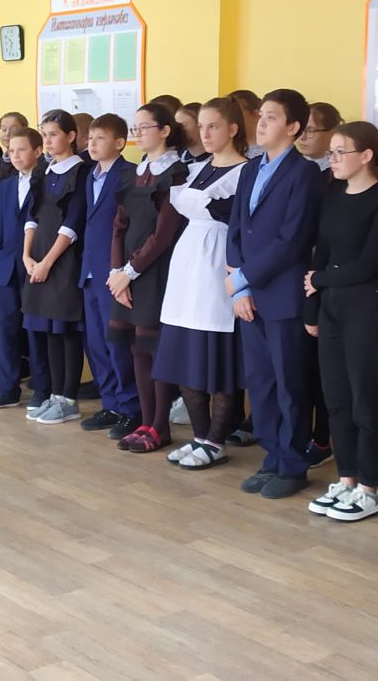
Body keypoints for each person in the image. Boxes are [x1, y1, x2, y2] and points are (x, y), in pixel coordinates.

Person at [302, 121, 378, 521]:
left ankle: (368, 486)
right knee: (337, 396)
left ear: (366, 156)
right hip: (331, 307)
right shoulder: (333, 193)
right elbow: (321, 254)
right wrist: (313, 306)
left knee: (366, 398)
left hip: (368, 307)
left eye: (340, 152)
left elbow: (368, 264)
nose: (333, 159)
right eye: (331, 152)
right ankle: (346, 479)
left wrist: (321, 279)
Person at [228, 88, 324, 499]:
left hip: (284, 295)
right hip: (249, 294)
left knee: (290, 384)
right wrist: (240, 285)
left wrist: (243, 275)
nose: (261, 122)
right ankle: (271, 458)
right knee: (261, 382)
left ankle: (293, 465)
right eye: (261, 116)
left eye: (271, 117)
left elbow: (292, 239)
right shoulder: (250, 169)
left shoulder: (305, 173)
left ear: (293, 127)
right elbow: (236, 228)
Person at [158, 98, 249, 469]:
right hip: (188, 264)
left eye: (214, 126)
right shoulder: (197, 169)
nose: (206, 133)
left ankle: (215, 441)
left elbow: (236, 220)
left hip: (217, 263)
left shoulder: (246, 172)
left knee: (217, 359)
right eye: (202, 126)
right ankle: (198, 436)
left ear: (233, 129)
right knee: (184, 355)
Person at [108, 104, 190, 453]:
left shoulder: (177, 172)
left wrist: (129, 271)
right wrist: (116, 272)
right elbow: (119, 225)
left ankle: (160, 426)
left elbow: (164, 233)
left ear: (165, 130)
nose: (137, 134)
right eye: (135, 128)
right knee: (135, 350)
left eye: (144, 127)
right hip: (127, 275)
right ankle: (145, 421)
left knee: (153, 349)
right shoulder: (134, 172)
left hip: (156, 271)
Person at [0, 127, 51, 412]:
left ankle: (43, 388)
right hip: (6, 267)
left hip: (35, 265)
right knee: (6, 329)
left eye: (22, 150)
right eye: (11, 150)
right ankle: (8, 388)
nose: (15, 155)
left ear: (37, 151)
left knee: (35, 330)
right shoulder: (5, 185)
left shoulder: (47, 181)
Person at [24, 111, 90, 424]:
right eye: (44, 134)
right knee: (48, 329)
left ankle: (68, 398)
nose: (48, 141)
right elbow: (32, 216)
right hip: (37, 258)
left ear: (71, 136)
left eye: (53, 134)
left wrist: (47, 262)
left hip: (63, 262)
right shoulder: (44, 171)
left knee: (66, 331)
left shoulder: (81, 171)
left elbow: (72, 223)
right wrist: (27, 256)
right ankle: (54, 394)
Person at [78, 114, 140, 437]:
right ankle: (111, 403)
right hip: (90, 271)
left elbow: (129, 227)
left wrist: (123, 269)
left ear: (119, 142)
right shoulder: (91, 175)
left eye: (99, 138)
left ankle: (131, 408)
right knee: (97, 343)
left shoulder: (129, 174)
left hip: (114, 271)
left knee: (118, 343)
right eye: (90, 138)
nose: (92, 144)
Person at [298, 100, 345, 467]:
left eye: (312, 130)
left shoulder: (336, 178)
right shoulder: (300, 172)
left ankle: (323, 436)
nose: (304, 136)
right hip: (299, 274)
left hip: (327, 275)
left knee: (325, 367)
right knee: (303, 364)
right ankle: (304, 432)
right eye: (302, 129)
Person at [229, 89, 265, 159]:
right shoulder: (226, 150)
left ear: (256, 115)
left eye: (237, 114)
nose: (231, 119)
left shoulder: (270, 152)